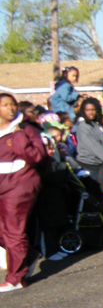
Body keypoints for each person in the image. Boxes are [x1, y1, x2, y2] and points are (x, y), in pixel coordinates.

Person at [0, 93, 47, 292]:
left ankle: (16, 278)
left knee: (13, 231)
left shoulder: (25, 129)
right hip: (2, 184)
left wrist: (18, 137)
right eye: (4, 105)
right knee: (5, 232)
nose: (10, 108)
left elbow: (37, 156)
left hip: (20, 184)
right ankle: (29, 255)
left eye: (12, 104)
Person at [73, 97, 103, 195]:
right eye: (87, 110)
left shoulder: (98, 124)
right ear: (83, 111)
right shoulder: (83, 127)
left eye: (93, 110)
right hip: (91, 166)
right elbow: (98, 150)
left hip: (102, 162)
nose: (91, 113)